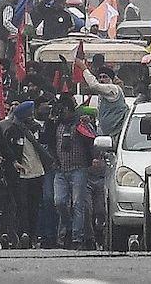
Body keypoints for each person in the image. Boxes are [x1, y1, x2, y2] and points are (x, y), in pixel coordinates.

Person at [3, 101, 53, 249]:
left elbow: (45, 142)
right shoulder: (12, 131)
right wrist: (14, 162)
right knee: (21, 206)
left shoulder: (37, 129)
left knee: (34, 205)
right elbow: (8, 150)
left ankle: (32, 235)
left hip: (38, 173)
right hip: (22, 174)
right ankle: (21, 234)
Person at [51, 95, 93, 249]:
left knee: (78, 204)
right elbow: (48, 141)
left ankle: (77, 237)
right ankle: (68, 227)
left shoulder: (80, 124)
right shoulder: (55, 125)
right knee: (59, 201)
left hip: (78, 170)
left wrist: (86, 124)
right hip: (60, 170)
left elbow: (91, 138)